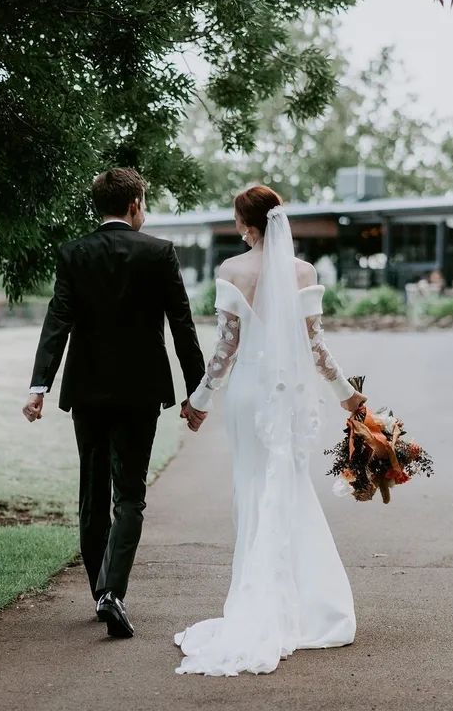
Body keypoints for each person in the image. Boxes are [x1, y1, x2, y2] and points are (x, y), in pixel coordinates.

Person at [174, 185, 367, 676]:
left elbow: (225, 351)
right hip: (288, 398)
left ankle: (258, 603)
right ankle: (306, 605)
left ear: (245, 225)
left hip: (248, 397)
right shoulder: (303, 273)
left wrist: (198, 402)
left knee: (254, 485)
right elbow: (317, 350)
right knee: (289, 486)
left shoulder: (232, 271)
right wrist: (347, 394)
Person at [22, 167, 206, 639]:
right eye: (142, 203)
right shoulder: (160, 253)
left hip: (87, 391)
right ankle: (111, 592)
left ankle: (99, 592)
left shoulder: (74, 254)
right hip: (141, 392)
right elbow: (182, 327)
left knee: (92, 491)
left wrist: (39, 386)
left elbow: (57, 321)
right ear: (133, 205)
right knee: (130, 496)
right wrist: (196, 393)